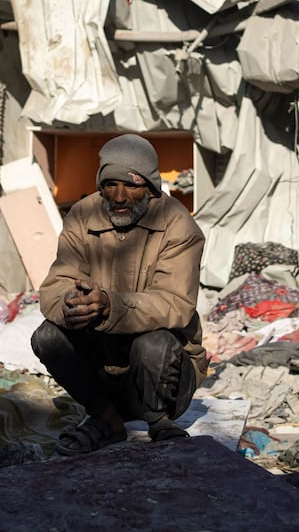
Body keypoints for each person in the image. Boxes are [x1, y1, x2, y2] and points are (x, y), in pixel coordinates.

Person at [32, 133, 207, 455]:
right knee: (46, 337)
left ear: (151, 188)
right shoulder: (83, 215)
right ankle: (107, 419)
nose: (120, 196)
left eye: (132, 185)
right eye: (111, 185)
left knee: (153, 342)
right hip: (105, 371)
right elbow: (56, 284)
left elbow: (175, 304)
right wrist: (70, 304)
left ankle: (160, 421)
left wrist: (111, 306)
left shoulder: (179, 225)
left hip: (161, 377)